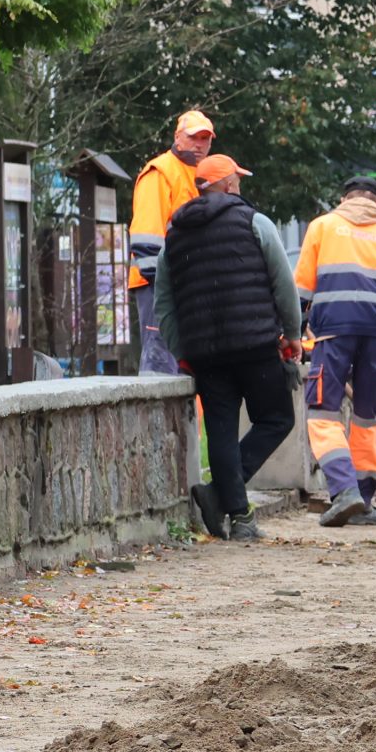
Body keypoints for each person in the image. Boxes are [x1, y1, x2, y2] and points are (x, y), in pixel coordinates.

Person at [153, 153, 300, 541]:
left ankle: (240, 517)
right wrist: (293, 333)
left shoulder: (174, 235)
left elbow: (163, 303)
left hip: (205, 354)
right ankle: (220, 498)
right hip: (255, 345)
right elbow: (283, 284)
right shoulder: (254, 222)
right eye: (238, 179)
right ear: (229, 184)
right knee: (277, 418)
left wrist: (180, 349)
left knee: (219, 429)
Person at [295, 175, 376, 527]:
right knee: (368, 419)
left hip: (333, 332)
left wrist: (290, 335)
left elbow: (301, 291)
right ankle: (363, 502)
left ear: (343, 199)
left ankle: (344, 489)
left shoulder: (322, 227)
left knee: (323, 412)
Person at [129, 110, 215, 375]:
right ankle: (158, 418)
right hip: (160, 284)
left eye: (205, 138)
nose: (200, 144)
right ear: (178, 137)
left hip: (185, 285)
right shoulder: (160, 172)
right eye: (194, 137)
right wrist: (163, 287)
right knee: (161, 361)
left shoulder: (199, 176)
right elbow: (146, 238)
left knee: (180, 362)